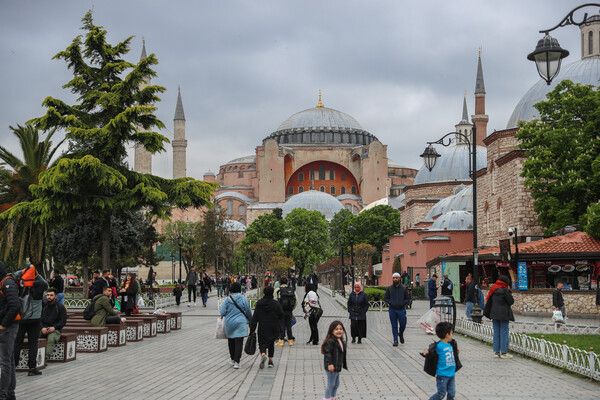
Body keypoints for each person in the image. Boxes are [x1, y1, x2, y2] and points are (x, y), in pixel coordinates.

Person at [13, 265, 48, 376]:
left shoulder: (20, 285)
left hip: (22, 318)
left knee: (17, 342)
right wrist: (36, 274)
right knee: (33, 343)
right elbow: (46, 284)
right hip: (35, 319)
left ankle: (13, 366)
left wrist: (23, 271)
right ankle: (32, 368)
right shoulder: (40, 285)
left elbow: (14, 276)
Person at [422, 322, 462, 400]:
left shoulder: (451, 344)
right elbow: (431, 351)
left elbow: (453, 355)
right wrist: (426, 353)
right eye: (451, 333)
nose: (452, 335)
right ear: (447, 335)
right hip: (442, 375)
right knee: (441, 394)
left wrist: (456, 353)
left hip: (451, 374)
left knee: (452, 393)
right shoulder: (438, 346)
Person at [0, 260, 20, 399]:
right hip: (7, 325)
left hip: (8, 326)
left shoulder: (7, 283)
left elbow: (15, 305)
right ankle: (10, 392)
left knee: (5, 361)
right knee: (9, 360)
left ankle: (3, 393)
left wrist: (3, 324)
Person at [220, 282, 252, 369]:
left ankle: (232, 359)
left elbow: (222, 312)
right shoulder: (243, 299)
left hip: (229, 323)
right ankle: (237, 362)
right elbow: (248, 311)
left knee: (231, 341)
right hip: (240, 323)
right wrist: (250, 321)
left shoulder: (227, 299)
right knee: (239, 342)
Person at [250, 286, 283, 369]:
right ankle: (270, 361)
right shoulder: (276, 303)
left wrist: (252, 329)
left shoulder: (259, 303)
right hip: (273, 326)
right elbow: (281, 314)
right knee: (271, 343)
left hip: (262, 326)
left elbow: (255, 317)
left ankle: (263, 354)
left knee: (262, 343)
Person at [483, 275, 514, 358]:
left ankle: (496, 352)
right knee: (504, 332)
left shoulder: (493, 288)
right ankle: (504, 352)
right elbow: (511, 301)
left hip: (494, 314)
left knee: (496, 332)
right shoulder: (504, 290)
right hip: (503, 314)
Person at [321, 320, 348, 400]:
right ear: (332, 331)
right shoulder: (331, 341)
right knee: (331, 385)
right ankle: (327, 398)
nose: (339, 331)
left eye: (340, 329)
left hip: (337, 366)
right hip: (331, 367)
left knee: (336, 384)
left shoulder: (341, 341)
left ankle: (333, 397)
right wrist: (329, 363)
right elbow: (328, 353)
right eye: (336, 329)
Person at [40, 288, 67, 359]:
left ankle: (45, 358)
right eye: (47, 295)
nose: (49, 297)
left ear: (55, 297)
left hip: (55, 329)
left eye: (51, 295)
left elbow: (63, 321)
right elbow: (39, 320)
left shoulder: (60, 307)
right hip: (43, 329)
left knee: (51, 339)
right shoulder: (43, 306)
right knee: (33, 336)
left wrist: (54, 327)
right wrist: (42, 327)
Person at [384, 272, 411, 346]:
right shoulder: (389, 288)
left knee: (403, 324)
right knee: (394, 325)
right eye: (394, 278)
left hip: (401, 309)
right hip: (392, 310)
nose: (395, 279)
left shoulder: (403, 288)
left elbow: (407, 298)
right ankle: (395, 340)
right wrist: (391, 302)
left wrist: (402, 303)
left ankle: (401, 334)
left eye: (396, 278)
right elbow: (386, 298)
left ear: (399, 278)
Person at [274, 277, 298, 346]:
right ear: (287, 282)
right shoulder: (291, 289)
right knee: (288, 325)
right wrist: (292, 308)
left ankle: (281, 340)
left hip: (281, 310)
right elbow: (296, 300)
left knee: (281, 324)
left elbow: (275, 300)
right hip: (289, 310)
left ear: (280, 282)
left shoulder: (277, 290)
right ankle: (290, 340)